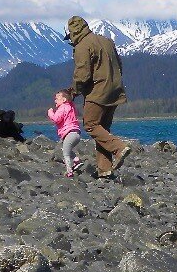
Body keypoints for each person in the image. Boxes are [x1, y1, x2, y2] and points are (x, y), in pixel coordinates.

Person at [65, 15, 130, 177]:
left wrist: (72, 92)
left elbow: (83, 74)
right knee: (103, 130)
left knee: (91, 125)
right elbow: (119, 65)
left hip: (97, 92)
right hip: (115, 90)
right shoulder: (107, 41)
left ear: (73, 33)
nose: (70, 41)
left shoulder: (82, 46)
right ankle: (104, 169)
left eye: (69, 37)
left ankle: (118, 147)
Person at [46, 89, 83, 178]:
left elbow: (56, 119)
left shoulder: (62, 108)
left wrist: (50, 113)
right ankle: (76, 160)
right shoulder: (71, 106)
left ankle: (69, 171)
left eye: (57, 98)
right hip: (76, 133)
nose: (55, 100)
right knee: (67, 148)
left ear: (64, 100)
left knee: (65, 153)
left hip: (69, 134)